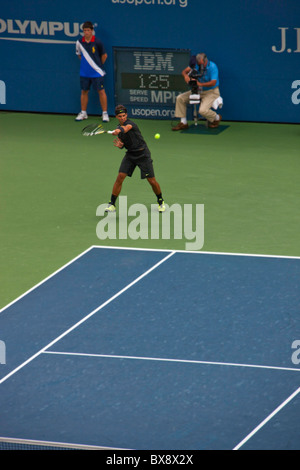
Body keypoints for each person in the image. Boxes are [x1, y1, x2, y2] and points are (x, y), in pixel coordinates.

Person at [105, 105, 165, 213]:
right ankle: (112, 204)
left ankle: (160, 201)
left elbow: (125, 128)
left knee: (151, 181)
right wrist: (121, 145)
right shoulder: (119, 128)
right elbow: (125, 143)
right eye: (120, 116)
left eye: (124, 115)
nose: (122, 118)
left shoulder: (130, 124)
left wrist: (118, 130)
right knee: (120, 177)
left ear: (126, 115)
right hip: (130, 155)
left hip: (143, 155)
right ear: (117, 117)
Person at [172, 53, 221, 130]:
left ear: (205, 60)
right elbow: (184, 72)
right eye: (198, 64)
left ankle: (217, 118)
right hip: (197, 90)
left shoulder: (213, 67)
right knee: (180, 98)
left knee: (202, 111)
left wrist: (200, 84)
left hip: (211, 91)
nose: (200, 66)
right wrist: (186, 77)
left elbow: (213, 82)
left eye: (201, 64)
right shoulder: (196, 64)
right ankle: (183, 123)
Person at [75, 21, 109, 122]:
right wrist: (87, 66)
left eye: (88, 30)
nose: (86, 32)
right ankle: (83, 113)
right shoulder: (79, 42)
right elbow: (79, 55)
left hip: (97, 72)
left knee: (101, 91)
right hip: (85, 73)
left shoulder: (97, 42)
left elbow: (104, 56)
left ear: (92, 31)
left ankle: (105, 114)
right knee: (84, 91)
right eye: (85, 30)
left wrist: (97, 66)